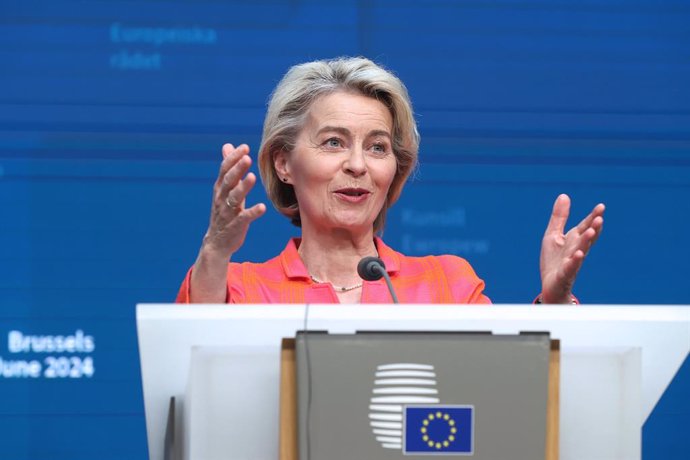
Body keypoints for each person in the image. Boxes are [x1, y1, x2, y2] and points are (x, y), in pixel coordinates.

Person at [176, 57, 604, 304]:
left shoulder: (446, 284)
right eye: (333, 142)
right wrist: (215, 249)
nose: (358, 165)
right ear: (284, 162)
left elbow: (510, 391)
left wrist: (552, 304)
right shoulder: (243, 289)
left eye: (378, 147)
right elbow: (192, 366)